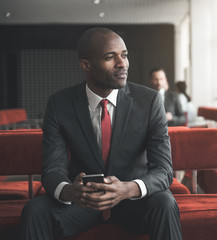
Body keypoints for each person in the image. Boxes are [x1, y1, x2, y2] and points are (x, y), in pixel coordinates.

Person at [20, 27, 182, 240]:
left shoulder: (149, 101)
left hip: (132, 200)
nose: (122, 63)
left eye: (124, 55)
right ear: (86, 65)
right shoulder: (59, 104)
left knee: (166, 203)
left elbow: (163, 170)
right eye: (110, 57)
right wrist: (70, 191)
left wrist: (128, 188)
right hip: (83, 202)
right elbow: (52, 169)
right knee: (34, 210)